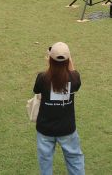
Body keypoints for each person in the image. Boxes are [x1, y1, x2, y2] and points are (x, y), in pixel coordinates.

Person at [33, 42, 85, 175]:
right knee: (74, 159)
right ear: (68, 60)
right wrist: (67, 61)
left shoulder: (42, 78)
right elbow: (75, 78)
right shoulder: (74, 77)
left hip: (45, 128)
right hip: (67, 129)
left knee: (45, 162)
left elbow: (37, 90)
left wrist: (51, 63)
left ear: (50, 59)